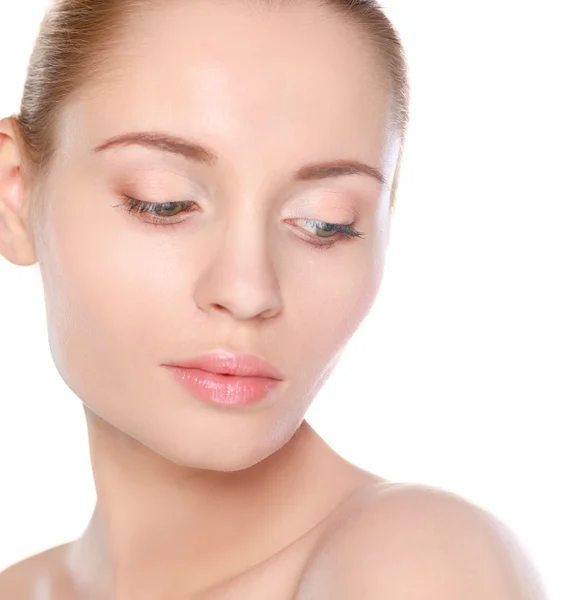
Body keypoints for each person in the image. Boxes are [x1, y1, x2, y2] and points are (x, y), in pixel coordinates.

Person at [0, 0, 547, 598]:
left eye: (324, 223)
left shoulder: (412, 562)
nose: (248, 290)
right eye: (165, 203)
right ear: (15, 194)